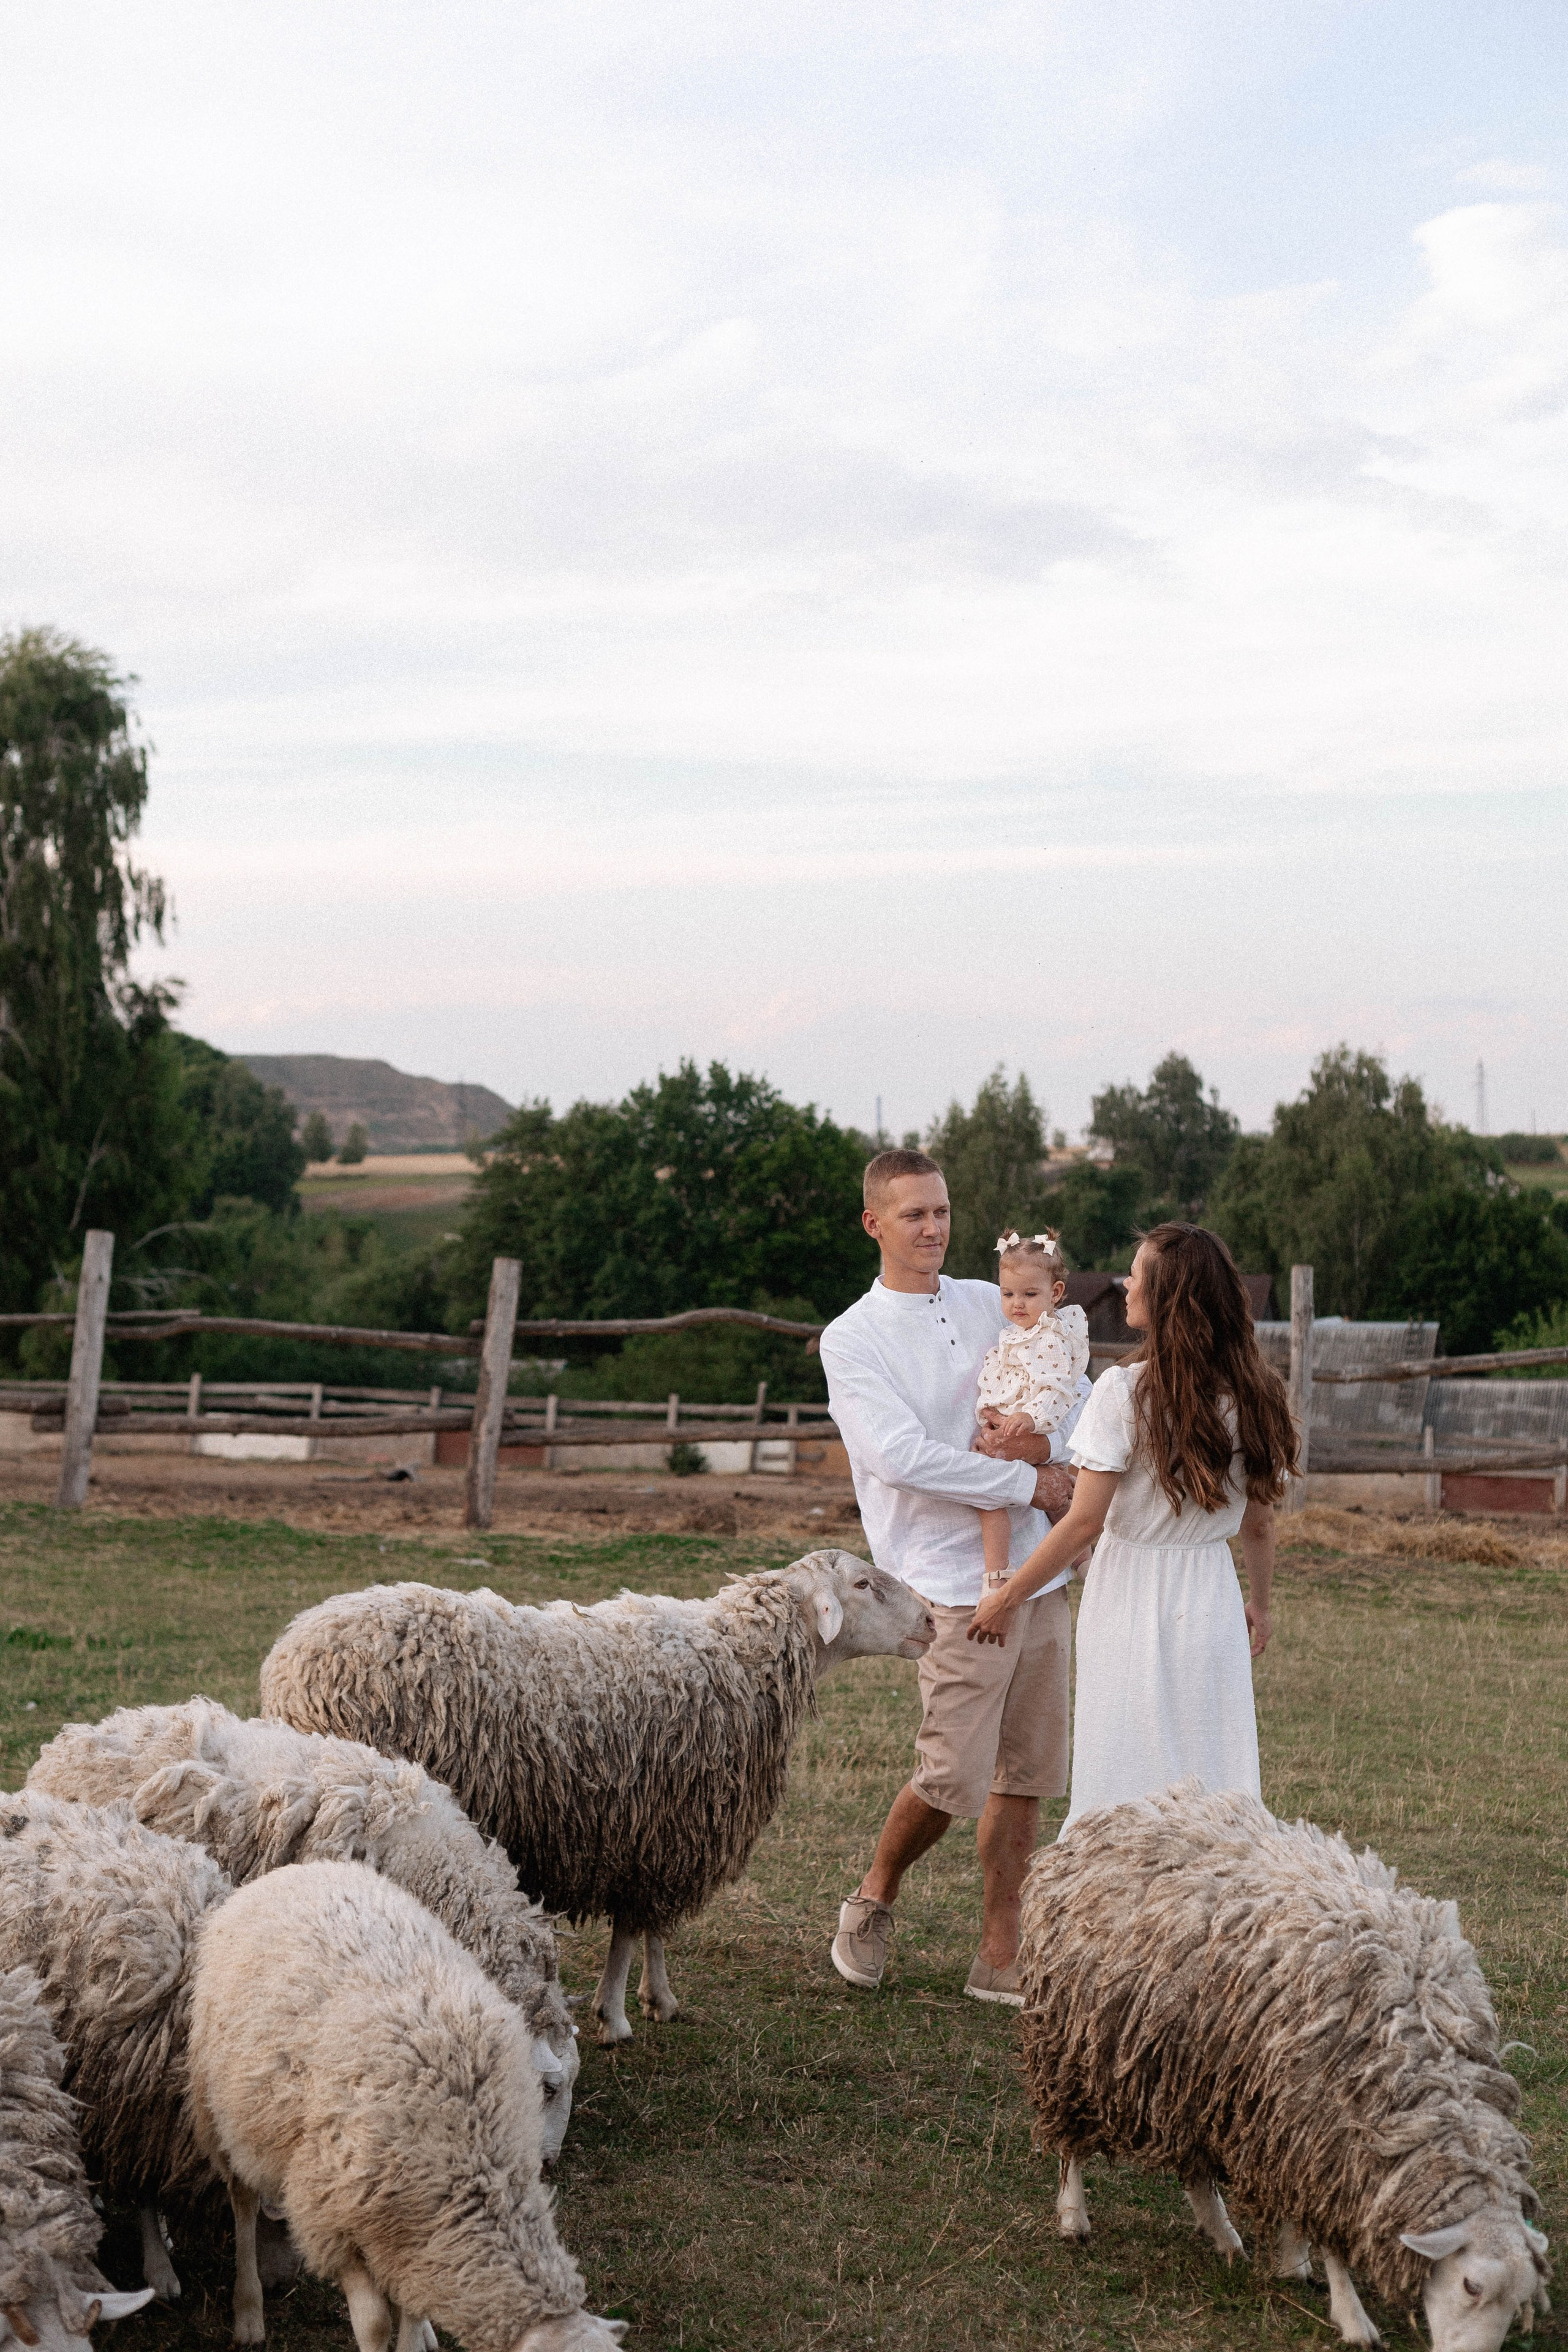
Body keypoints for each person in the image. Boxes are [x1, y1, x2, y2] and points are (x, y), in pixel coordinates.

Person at [819, 1149, 1091, 2006]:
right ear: (874, 1224)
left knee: (1029, 1772)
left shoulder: (993, 1301)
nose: (933, 1228)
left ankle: (999, 1950)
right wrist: (1029, 1484)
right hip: (945, 1577)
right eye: (913, 1216)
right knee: (952, 1776)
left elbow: (1066, 1389)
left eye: (941, 1212)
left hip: (1038, 1567)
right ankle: (873, 1896)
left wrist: (1050, 1460)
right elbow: (898, 1458)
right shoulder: (853, 1337)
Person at [968, 1222, 1297, 1828]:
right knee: (1210, 1759)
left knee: (1122, 1756)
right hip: (1211, 1594)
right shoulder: (1257, 1391)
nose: (1124, 1282)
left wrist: (1008, 1594)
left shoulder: (1123, 1391)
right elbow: (1258, 1520)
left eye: (1137, 1275)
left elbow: (1083, 1522)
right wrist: (1259, 1603)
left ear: (1166, 1298)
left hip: (1129, 1592)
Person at [974, 1230, 1089, 1596]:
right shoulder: (1015, 1333)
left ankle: (1076, 1561)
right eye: (1007, 1294)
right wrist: (989, 1408)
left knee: (1038, 1500)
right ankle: (1005, 1570)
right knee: (997, 1499)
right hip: (1010, 1426)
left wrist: (1033, 1420)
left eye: (1029, 1294)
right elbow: (999, 1375)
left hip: (1031, 1428)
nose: (1016, 1304)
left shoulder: (1051, 1337)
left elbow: (1058, 1387)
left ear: (1054, 1293)